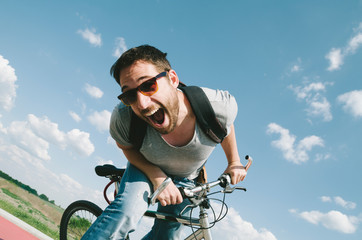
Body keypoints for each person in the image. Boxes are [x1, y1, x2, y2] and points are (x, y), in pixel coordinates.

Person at [81, 45, 247, 240]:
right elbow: (125, 147)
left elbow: (225, 125)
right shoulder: (124, 117)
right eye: (130, 95)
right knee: (126, 213)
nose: (142, 104)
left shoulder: (218, 105)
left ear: (173, 79)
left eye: (148, 85)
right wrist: (157, 176)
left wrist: (234, 162)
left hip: (188, 177)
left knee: (166, 237)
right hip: (145, 168)